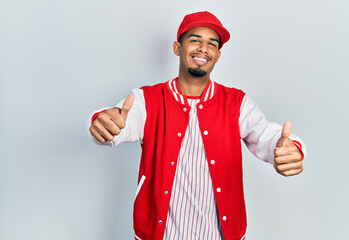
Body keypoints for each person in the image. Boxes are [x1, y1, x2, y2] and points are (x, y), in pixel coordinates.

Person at [88, 11, 307, 240]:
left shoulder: (237, 103)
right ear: (177, 48)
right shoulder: (147, 99)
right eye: (195, 40)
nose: (204, 48)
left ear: (218, 55)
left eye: (212, 44)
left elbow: (266, 134)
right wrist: (101, 122)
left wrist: (290, 148)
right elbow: (118, 123)